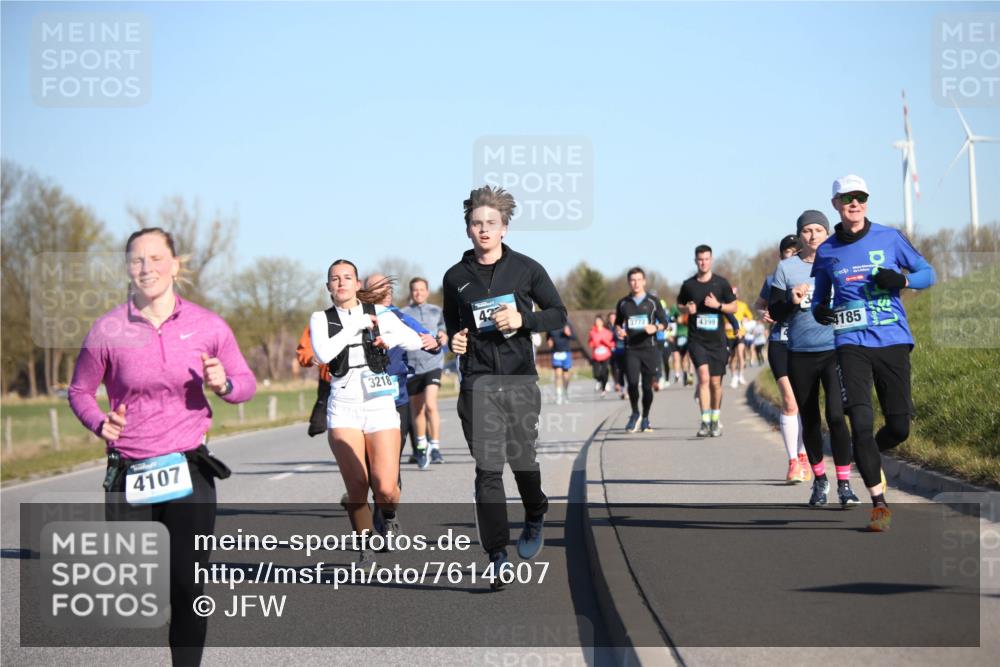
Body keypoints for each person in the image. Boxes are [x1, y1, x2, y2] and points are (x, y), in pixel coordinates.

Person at [69, 227, 256, 667]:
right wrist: (101, 423)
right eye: (137, 260)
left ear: (175, 265)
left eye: (156, 258)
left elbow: (244, 383)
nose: (147, 268)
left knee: (188, 588)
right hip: (131, 470)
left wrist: (223, 383)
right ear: (127, 268)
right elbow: (79, 391)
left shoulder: (208, 326)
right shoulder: (108, 330)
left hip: (187, 467)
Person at [443, 185, 567, 590]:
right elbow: (452, 328)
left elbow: (557, 315)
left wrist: (522, 321)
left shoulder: (527, 269)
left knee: (523, 461)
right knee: (487, 469)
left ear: (504, 229)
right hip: (477, 382)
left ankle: (535, 511)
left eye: (491, 224)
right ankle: (497, 554)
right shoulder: (455, 278)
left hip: (518, 380)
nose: (483, 230)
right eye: (476, 224)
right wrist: (454, 342)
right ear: (467, 229)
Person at [811, 175, 936, 531]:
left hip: (893, 340)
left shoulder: (890, 237)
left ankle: (870, 456)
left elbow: (929, 273)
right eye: (847, 197)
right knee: (861, 425)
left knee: (898, 427)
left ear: (867, 201)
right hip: (851, 344)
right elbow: (821, 298)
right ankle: (879, 505)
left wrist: (904, 281)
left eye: (861, 197)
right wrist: (821, 310)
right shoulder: (827, 251)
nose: (855, 203)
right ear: (835, 203)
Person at [309, 261, 424, 560]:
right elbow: (322, 353)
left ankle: (389, 515)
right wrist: (354, 326)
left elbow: (414, 339)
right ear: (328, 287)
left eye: (347, 277)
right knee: (357, 485)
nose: (341, 283)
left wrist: (391, 338)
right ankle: (364, 544)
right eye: (334, 279)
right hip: (343, 407)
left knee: (386, 487)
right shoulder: (321, 319)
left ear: (357, 283)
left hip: (379, 405)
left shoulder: (380, 314)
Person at [770, 211, 859, 507]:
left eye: (818, 229)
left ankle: (845, 484)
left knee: (836, 416)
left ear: (825, 233)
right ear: (800, 236)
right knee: (809, 420)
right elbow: (776, 313)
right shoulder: (786, 268)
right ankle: (820, 481)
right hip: (800, 353)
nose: (812, 235)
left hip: (835, 349)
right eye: (806, 230)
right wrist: (792, 301)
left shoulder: (838, 260)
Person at [367, 273, 442, 471]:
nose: (386, 291)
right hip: (365, 396)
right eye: (379, 287)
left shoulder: (399, 316)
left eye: (388, 287)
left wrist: (435, 343)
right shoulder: (356, 315)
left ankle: (430, 447)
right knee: (370, 457)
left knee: (392, 458)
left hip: (397, 390)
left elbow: (426, 338)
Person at [755, 234, 810, 483]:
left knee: (804, 404)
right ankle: (792, 462)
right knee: (789, 402)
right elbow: (760, 304)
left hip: (806, 345)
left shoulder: (813, 275)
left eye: (795, 250)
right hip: (780, 343)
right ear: (781, 256)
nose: (791, 254)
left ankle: (804, 454)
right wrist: (764, 314)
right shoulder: (773, 279)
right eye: (786, 251)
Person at [677, 245, 738, 437]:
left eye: (706, 259)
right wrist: (687, 310)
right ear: (695, 261)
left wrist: (718, 305)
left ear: (711, 260)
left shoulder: (721, 284)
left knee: (715, 383)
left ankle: (714, 419)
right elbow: (679, 305)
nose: (703, 262)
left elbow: (734, 307)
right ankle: (704, 421)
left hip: (718, 342)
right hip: (697, 340)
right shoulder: (688, 285)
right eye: (700, 259)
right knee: (703, 378)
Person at [401, 277, 449, 466]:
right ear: (411, 293)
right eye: (415, 290)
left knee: (430, 404)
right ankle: (421, 447)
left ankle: (435, 448)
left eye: (422, 289)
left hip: (433, 364)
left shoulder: (437, 311)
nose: (418, 293)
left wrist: (443, 335)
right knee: (417, 410)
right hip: (412, 367)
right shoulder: (403, 314)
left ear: (427, 291)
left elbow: (444, 330)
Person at [614, 268, 669, 432]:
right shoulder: (623, 303)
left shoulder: (653, 302)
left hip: (649, 349)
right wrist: (618, 330)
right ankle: (635, 413)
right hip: (631, 349)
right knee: (631, 383)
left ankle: (645, 417)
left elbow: (665, 322)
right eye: (632, 280)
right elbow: (617, 322)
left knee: (646, 387)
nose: (636, 283)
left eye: (639, 279)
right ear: (628, 282)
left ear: (644, 281)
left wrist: (656, 327)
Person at [297, 325, 332, 437]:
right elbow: (304, 349)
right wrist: (311, 357)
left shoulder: (370, 315)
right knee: (323, 426)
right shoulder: (321, 319)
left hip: (365, 382)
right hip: (329, 383)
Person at [727, 288, 754, 388]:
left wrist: (744, 320)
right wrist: (725, 325)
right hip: (729, 335)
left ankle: (740, 375)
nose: (733, 297)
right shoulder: (726, 306)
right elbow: (721, 320)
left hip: (740, 333)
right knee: (731, 358)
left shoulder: (742, 305)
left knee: (740, 354)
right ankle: (734, 377)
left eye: (735, 295)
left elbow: (750, 316)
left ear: (737, 295)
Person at [547, 321, 575, 404]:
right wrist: (549, 342)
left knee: (566, 376)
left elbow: (574, 337)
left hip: (566, 352)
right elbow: (548, 338)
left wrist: (569, 334)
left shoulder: (567, 324)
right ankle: (558, 395)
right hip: (556, 353)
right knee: (558, 374)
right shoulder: (551, 325)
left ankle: (565, 392)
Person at [588, 315, 614, 396]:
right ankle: (599, 381)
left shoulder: (608, 332)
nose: (597, 323)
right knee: (596, 374)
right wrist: (592, 344)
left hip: (606, 355)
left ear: (602, 322)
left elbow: (612, 343)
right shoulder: (592, 332)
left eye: (599, 321)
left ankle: (604, 388)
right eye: (596, 321)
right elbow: (590, 342)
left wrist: (606, 342)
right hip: (596, 355)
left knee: (604, 372)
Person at [607, 311, 627, 397]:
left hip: (629, 352)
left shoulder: (628, 327)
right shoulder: (613, 329)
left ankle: (629, 389)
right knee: (620, 371)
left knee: (629, 372)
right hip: (618, 352)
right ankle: (623, 390)